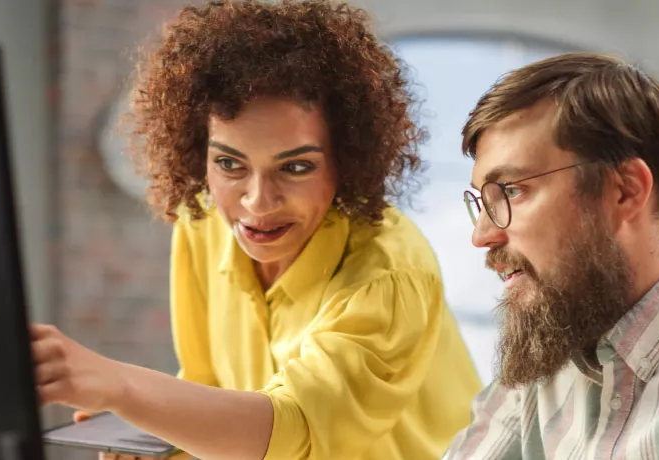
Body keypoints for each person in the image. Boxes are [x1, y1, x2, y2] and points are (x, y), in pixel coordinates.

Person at [30, 1, 482, 459]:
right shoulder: (203, 221)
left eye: (297, 166)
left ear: (346, 161)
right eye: (229, 163)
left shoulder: (387, 277)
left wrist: (120, 386)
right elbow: (208, 385)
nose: (257, 202)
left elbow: (294, 431)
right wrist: (164, 442)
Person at [443, 52, 659, 459]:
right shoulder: (540, 367)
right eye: (482, 201)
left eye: (510, 190)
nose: (482, 235)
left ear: (626, 190)